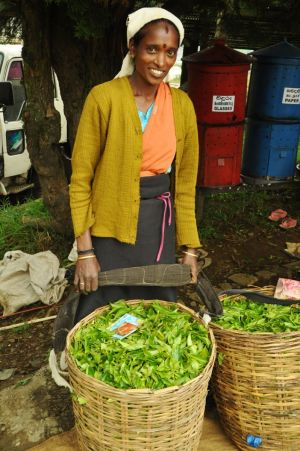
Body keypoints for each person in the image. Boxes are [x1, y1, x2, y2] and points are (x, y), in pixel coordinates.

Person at [69, 7, 201, 323]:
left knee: (154, 314)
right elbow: (80, 181)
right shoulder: (103, 98)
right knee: (101, 315)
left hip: (157, 231)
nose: (161, 62)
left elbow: (184, 185)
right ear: (133, 48)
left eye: (170, 52)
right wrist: (86, 253)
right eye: (152, 49)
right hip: (109, 228)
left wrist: (190, 248)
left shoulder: (182, 105)